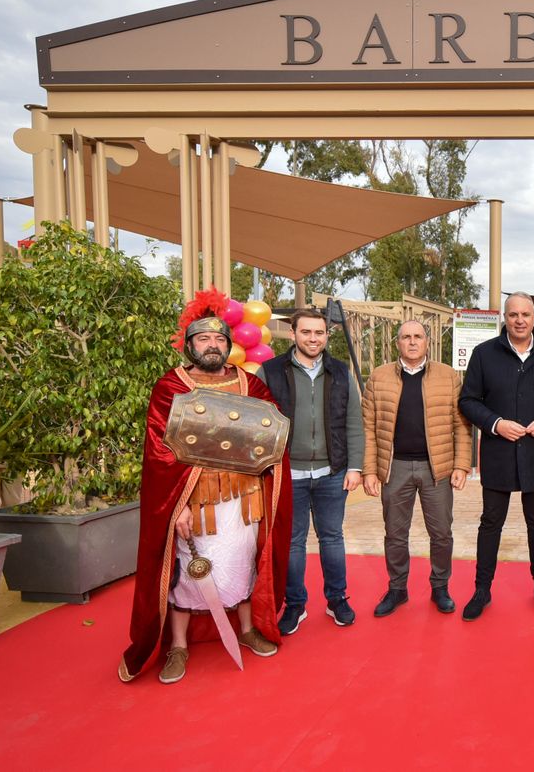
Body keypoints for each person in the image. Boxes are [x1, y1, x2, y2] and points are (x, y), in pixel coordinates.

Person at [120, 289, 292, 685]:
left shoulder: (249, 385)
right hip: (192, 500)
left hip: (243, 499)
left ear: (228, 345)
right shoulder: (171, 387)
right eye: (204, 339)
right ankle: (177, 645)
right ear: (190, 345)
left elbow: (271, 434)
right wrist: (175, 505)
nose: (212, 346)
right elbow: (160, 452)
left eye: (219, 340)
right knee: (189, 573)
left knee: (241, 564)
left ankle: (248, 630)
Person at [457, 292, 534, 621]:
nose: (520, 320)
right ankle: (482, 589)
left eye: (526, 315)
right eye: (513, 314)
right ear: (505, 317)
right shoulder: (483, 354)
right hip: (498, 453)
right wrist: (496, 423)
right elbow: (468, 400)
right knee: (491, 522)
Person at [257, 307, 362, 634]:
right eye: (306, 332)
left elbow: (355, 423)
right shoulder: (269, 372)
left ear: (326, 335)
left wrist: (355, 466)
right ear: (293, 334)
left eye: (319, 333)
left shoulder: (340, 372)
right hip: (288, 474)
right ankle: (295, 604)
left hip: (333, 473)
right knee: (293, 543)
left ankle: (337, 599)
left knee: (332, 538)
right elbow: (256, 424)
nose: (313, 338)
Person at [361, 319, 473, 617]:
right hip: (393, 468)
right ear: (397, 343)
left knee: (441, 534)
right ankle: (397, 588)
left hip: (437, 469)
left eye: (418, 337)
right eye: (406, 337)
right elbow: (369, 428)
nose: (412, 342)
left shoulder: (448, 377)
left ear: (427, 342)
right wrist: (369, 471)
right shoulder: (379, 377)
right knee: (395, 534)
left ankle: (440, 587)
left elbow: (462, 425)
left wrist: (462, 464)